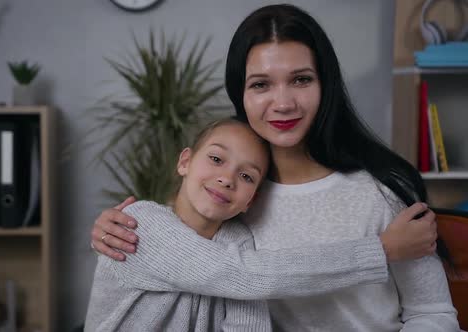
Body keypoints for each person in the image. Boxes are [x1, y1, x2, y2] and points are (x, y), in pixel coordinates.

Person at [90, 4, 459, 331]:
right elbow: (234, 272)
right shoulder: (230, 207)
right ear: (242, 95)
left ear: (324, 84)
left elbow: (433, 313)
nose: (283, 103)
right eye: (261, 84)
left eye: (301, 79)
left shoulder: (381, 188)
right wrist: (114, 227)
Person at [85, 118, 273, 331]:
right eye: (216, 159)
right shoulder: (138, 223)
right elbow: (242, 277)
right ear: (185, 162)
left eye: (247, 176)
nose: (227, 179)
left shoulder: (239, 241)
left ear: (251, 200)